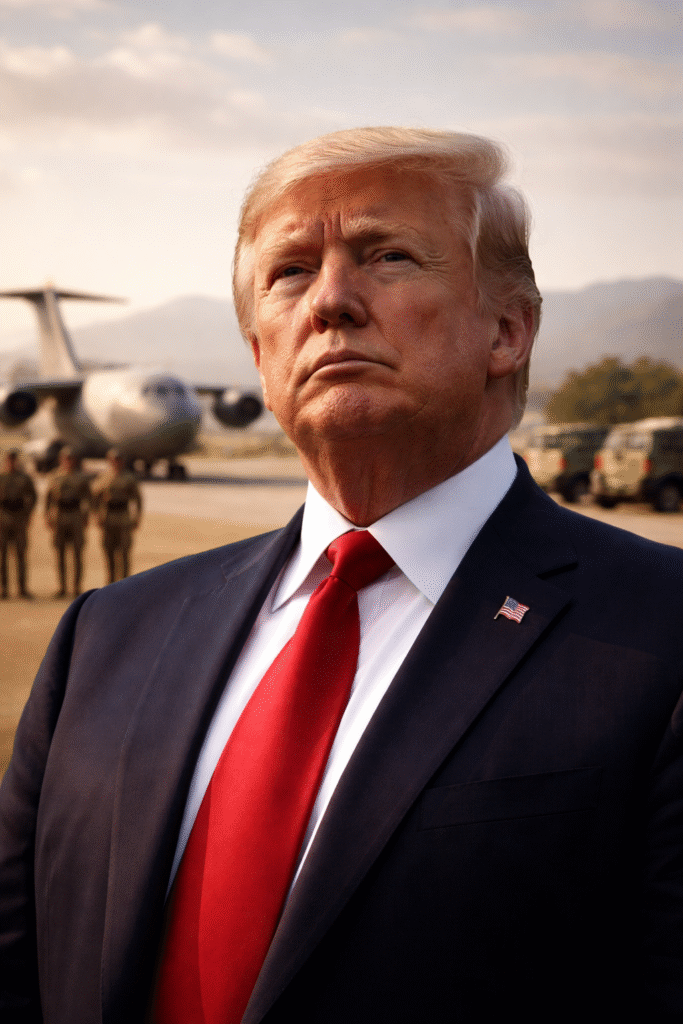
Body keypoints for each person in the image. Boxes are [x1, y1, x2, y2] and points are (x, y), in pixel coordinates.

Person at [1, 128, 682, 1023]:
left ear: (508, 330)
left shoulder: (655, 635)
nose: (328, 301)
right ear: (260, 357)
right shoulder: (107, 637)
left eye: (388, 256)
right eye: (289, 272)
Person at [44, 447, 91, 599]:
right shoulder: (54, 476)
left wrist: (86, 516)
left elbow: (88, 498)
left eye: (71, 458)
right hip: (60, 516)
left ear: (74, 460)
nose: (68, 461)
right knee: (60, 553)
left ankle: (76, 587)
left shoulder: (81, 477)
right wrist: (47, 516)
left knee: (77, 553)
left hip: (75, 516)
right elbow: (48, 498)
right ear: (61, 459)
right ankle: (62, 587)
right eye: (66, 458)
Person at [91, 448, 142, 584]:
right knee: (108, 552)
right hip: (108, 518)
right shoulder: (103, 477)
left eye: (119, 460)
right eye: (114, 460)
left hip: (124, 518)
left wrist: (136, 518)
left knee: (124, 553)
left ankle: (125, 584)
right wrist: (96, 515)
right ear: (109, 461)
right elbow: (94, 498)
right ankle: (111, 583)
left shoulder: (129, 478)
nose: (117, 462)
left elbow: (138, 500)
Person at [0, 449, 36, 599]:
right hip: (3, 520)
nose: (11, 463)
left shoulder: (24, 478)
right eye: (9, 460)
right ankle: (4, 589)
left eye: (13, 460)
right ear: (6, 461)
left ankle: (22, 588)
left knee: (21, 555)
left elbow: (33, 496)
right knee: (2, 557)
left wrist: (27, 513)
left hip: (19, 520)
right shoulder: (1, 477)